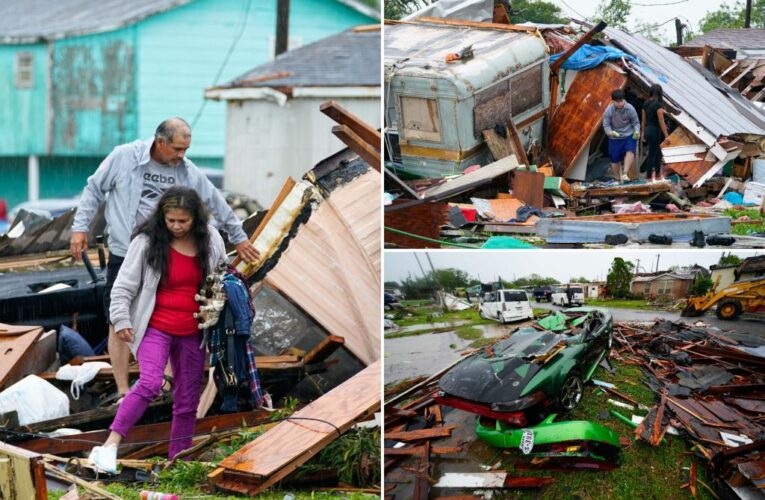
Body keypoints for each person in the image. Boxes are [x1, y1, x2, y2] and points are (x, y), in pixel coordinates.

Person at [70, 118, 259, 403]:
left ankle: (163, 383)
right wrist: (79, 227)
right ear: (160, 141)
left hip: (165, 251)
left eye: (186, 149)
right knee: (117, 315)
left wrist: (239, 235)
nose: (182, 155)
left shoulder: (186, 170)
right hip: (126, 250)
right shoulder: (125, 157)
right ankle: (122, 388)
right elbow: (94, 188)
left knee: (163, 316)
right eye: (178, 149)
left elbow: (214, 200)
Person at [88, 187, 227, 473]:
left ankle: (179, 462)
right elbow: (123, 287)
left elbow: (221, 280)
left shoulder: (210, 239)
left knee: (187, 399)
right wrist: (122, 319)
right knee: (151, 383)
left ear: (195, 219)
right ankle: (109, 445)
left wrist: (218, 310)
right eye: (171, 220)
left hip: (193, 330)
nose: (176, 226)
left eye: (183, 221)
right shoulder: (147, 241)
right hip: (155, 326)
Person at [603, 89, 640, 182]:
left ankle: (625, 173)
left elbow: (636, 122)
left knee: (630, 150)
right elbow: (606, 125)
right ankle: (617, 179)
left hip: (628, 134)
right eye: (617, 102)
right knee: (614, 159)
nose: (619, 103)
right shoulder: (609, 110)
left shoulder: (630, 108)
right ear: (613, 101)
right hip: (614, 136)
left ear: (624, 100)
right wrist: (610, 132)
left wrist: (637, 131)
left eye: (621, 101)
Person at [641, 84, 670, 182]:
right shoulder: (658, 105)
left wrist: (642, 134)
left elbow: (643, 121)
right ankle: (649, 178)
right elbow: (661, 122)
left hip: (647, 130)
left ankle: (658, 176)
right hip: (655, 131)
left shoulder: (645, 103)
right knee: (652, 155)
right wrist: (666, 136)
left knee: (657, 153)